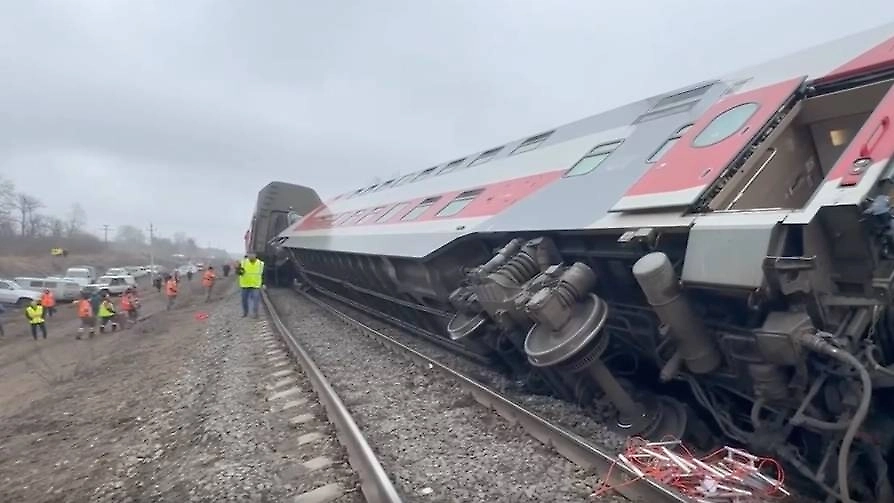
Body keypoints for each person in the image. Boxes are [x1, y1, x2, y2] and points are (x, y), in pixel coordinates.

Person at [237, 252, 264, 318]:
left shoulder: (260, 264)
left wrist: (264, 283)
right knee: (244, 300)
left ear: (255, 255)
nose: (251, 256)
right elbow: (239, 273)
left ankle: (255, 313)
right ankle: (245, 312)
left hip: (255, 285)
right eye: (249, 255)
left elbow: (263, 274)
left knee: (256, 299)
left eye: (252, 255)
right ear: (248, 255)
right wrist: (238, 269)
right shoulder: (243, 262)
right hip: (245, 284)